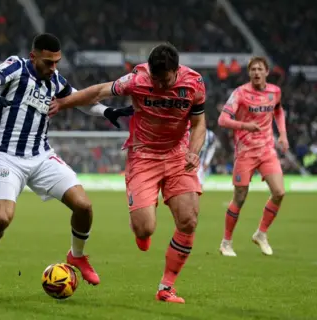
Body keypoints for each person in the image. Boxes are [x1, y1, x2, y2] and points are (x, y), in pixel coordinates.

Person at [0, 33, 133, 301]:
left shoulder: (54, 80)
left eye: (57, 62)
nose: (53, 68)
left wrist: (107, 112)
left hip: (41, 156)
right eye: (48, 62)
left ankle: (76, 256)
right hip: (7, 157)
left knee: (84, 206)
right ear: (34, 57)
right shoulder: (16, 67)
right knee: (2, 219)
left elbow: (79, 100)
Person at [49, 43, 207, 304]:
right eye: (154, 79)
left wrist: (194, 151)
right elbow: (99, 91)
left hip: (178, 155)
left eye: (164, 79)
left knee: (189, 220)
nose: (157, 84)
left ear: (176, 71)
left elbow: (199, 122)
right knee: (145, 229)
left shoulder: (195, 83)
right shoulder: (137, 79)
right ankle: (142, 229)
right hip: (143, 156)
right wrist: (63, 103)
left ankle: (166, 287)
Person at [217, 56, 288, 257]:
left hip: (267, 150)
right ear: (249, 73)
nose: (256, 72)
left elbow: (279, 110)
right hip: (245, 152)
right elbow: (223, 119)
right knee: (240, 197)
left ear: (266, 72)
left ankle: (261, 234)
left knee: (279, 192)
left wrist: (282, 134)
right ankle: (226, 242)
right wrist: (245, 126)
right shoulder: (240, 93)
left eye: (260, 69)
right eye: (253, 69)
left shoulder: (275, 92)